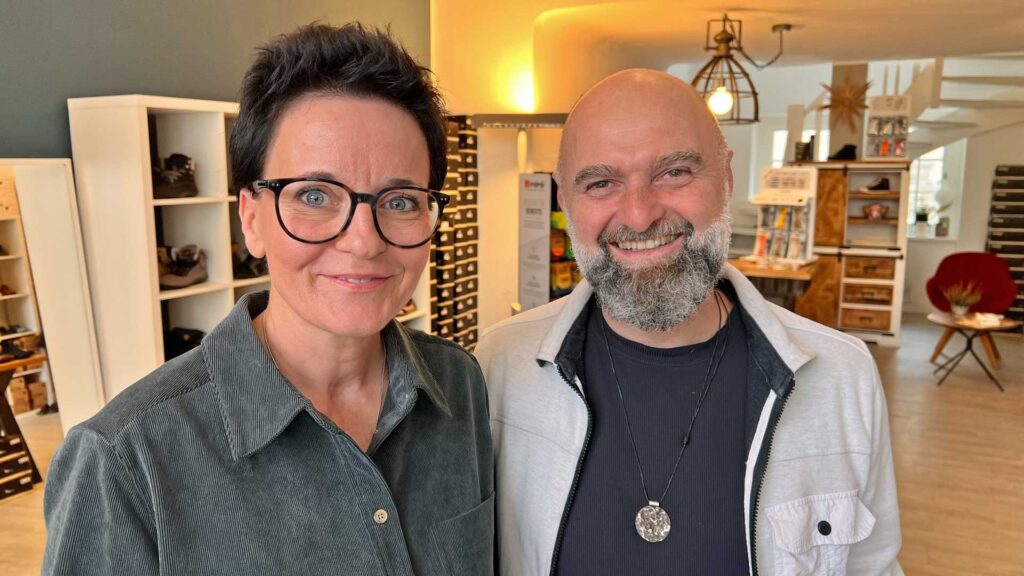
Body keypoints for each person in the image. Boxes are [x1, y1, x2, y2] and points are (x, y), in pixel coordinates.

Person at [43, 24, 493, 575]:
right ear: (251, 219)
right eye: (314, 196)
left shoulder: (459, 386)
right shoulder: (124, 461)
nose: (364, 241)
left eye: (399, 201)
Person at [475, 69, 902, 575]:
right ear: (565, 200)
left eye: (674, 172)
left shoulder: (841, 377)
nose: (639, 217)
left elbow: (874, 566)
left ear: (726, 178)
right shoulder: (498, 367)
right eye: (601, 182)